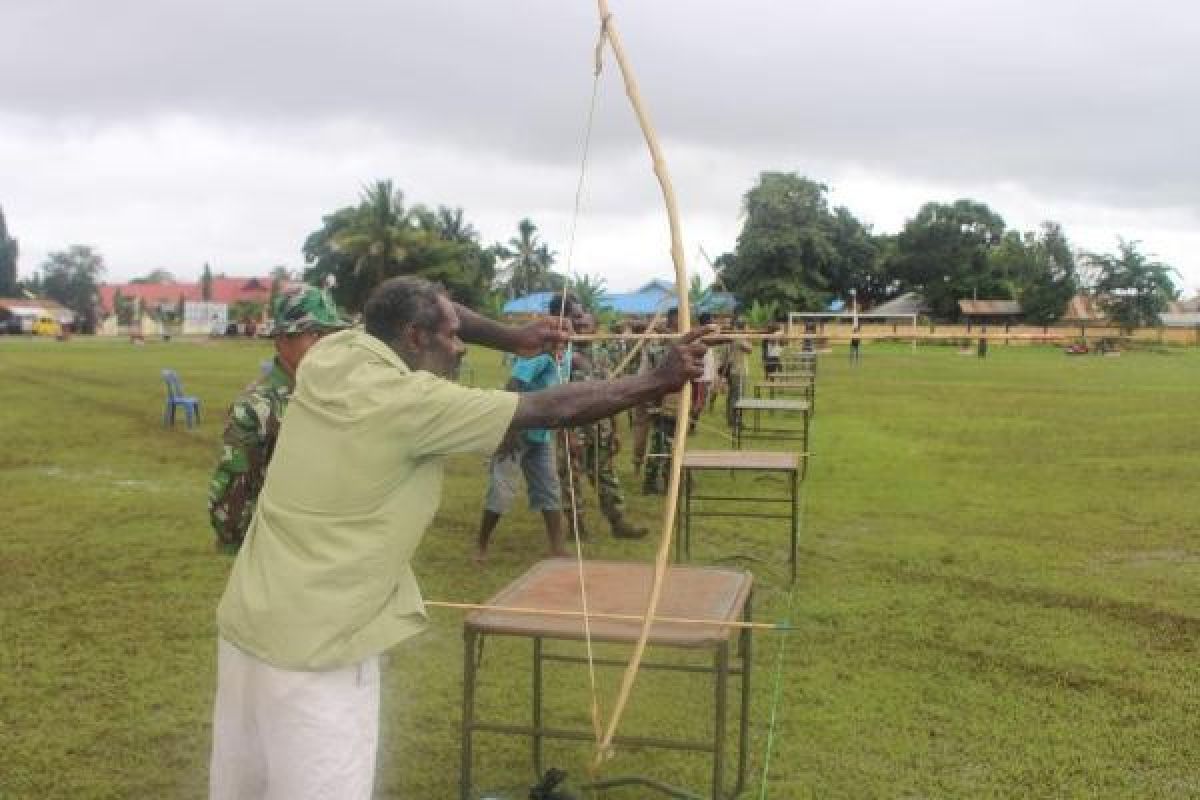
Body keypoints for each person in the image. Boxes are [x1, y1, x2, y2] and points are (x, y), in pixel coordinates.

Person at [209, 275, 709, 800]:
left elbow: (420, 302)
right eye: (450, 335)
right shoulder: (413, 402)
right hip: (319, 659)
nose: (461, 344)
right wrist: (658, 380)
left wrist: (513, 338)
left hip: (248, 628)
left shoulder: (336, 354)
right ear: (416, 338)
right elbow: (551, 409)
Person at [207, 285, 350, 553]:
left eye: (331, 335)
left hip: (332, 545)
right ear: (282, 339)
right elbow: (231, 499)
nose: (326, 344)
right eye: (315, 334)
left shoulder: (338, 394)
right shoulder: (256, 407)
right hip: (276, 550)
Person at [476, 294, 583, 562]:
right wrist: (509, 431)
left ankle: (557, 547)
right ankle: (481, 546)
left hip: (542, 432)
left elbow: (561, 393)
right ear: (560, 316)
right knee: (501, 491)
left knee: (549, 487)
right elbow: (513, 386)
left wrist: (567, 432)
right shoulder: (543, 349)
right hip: (517, 429)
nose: (579, 323)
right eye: (575, 317)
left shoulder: (565, 349)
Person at [569, 310, 648, 540]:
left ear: (595, 329)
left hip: (600, 428)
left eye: (587, 326)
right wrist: (569, 434)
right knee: (571, 480)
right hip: (575, 429)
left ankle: (618, 522)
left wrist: (614, 430)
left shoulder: (602, 356)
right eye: (578, 326)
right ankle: (576, 527)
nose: (583, 330)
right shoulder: (564, 359)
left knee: (606, 475)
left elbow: (611, 395)